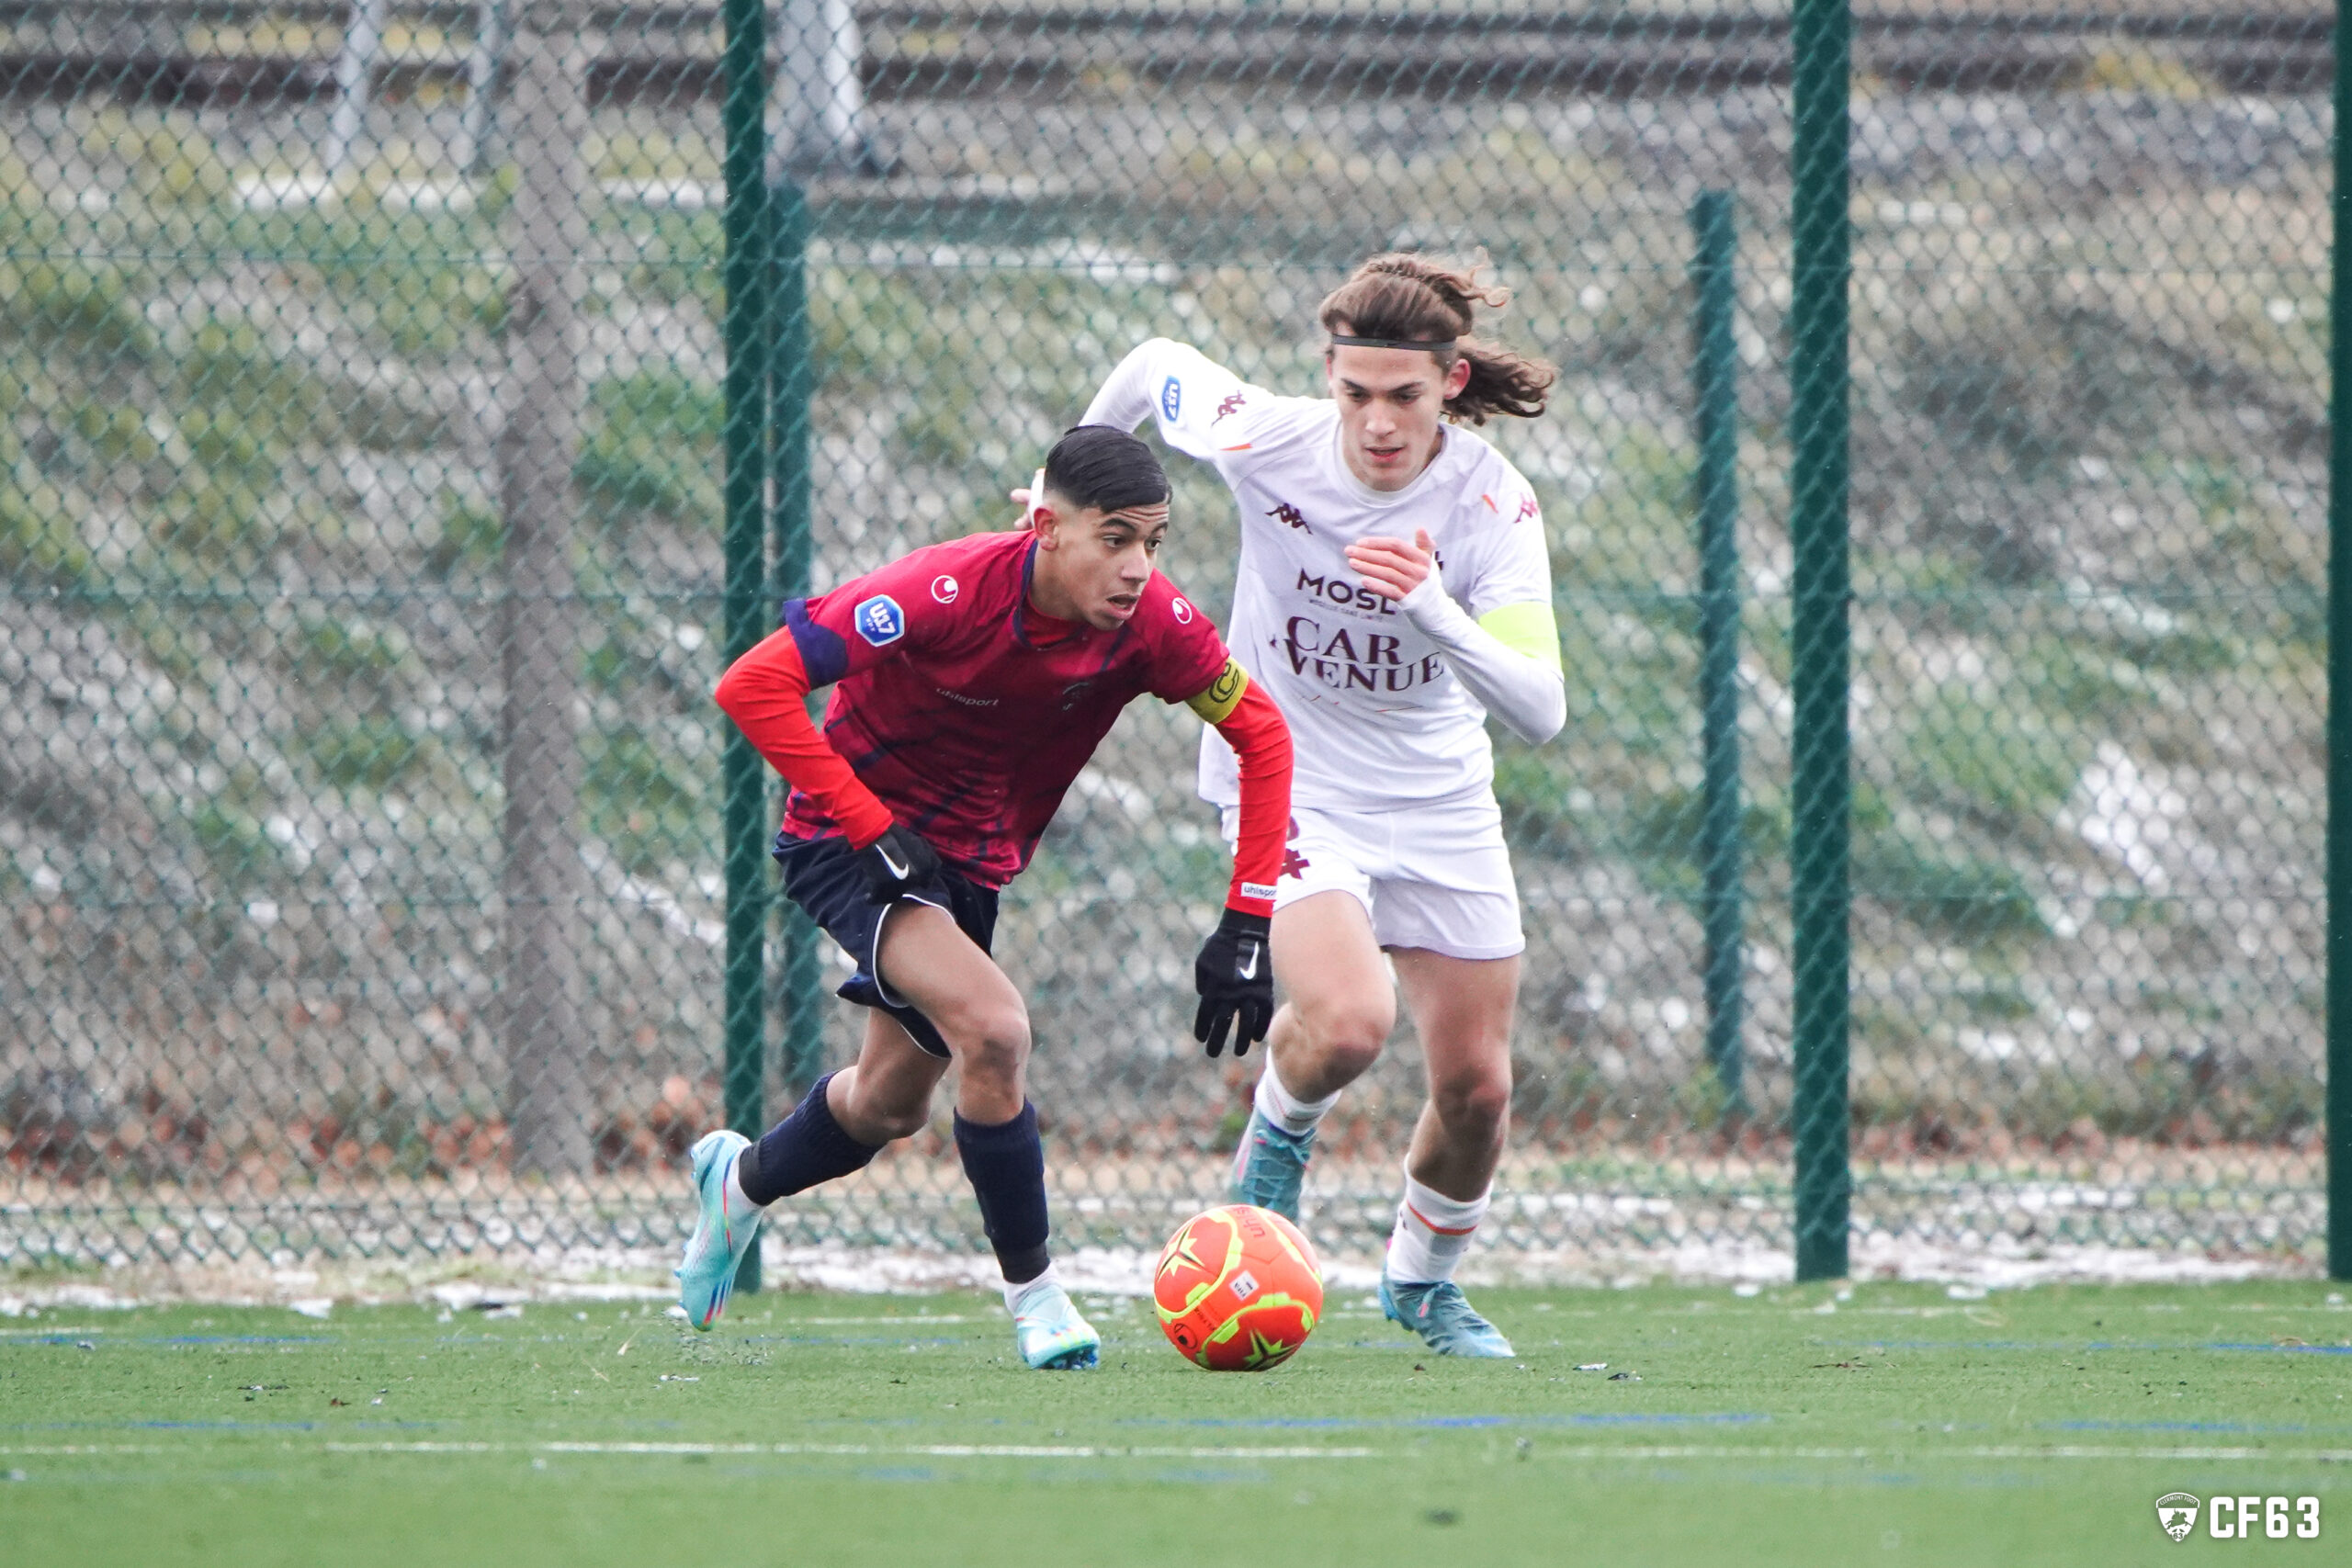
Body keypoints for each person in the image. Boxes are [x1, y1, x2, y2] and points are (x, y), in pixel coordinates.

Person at [677, 425, 1292, 1371]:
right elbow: (754, 684)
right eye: (1115, 538)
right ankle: (1037, 1299)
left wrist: (1248, 917)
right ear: (1047, 527)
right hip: (850, 841)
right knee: (997, 1032)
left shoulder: (1154, 626)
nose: (1137, 568)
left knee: (886, 1106)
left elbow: (1261, 735)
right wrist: (869, 823)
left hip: (963, 868)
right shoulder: (943, 591)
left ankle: (741, 1183)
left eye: (1154, 543)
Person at [1081, 254, 1564, 1358]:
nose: (1378, 423)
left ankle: (1422, 1284)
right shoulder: (1268, 439)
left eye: (1404, 395)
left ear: (1449, 381)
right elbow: (1153, 366)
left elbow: (1540, 708)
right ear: (1329, 380)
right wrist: (1066, 497)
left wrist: (1435, 610)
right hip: (1290, 778)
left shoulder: (1491, 499)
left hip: (1438, 796)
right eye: (1356, 394)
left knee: (1479, 1089)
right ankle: (1276, 1149)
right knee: (1348, 1022)